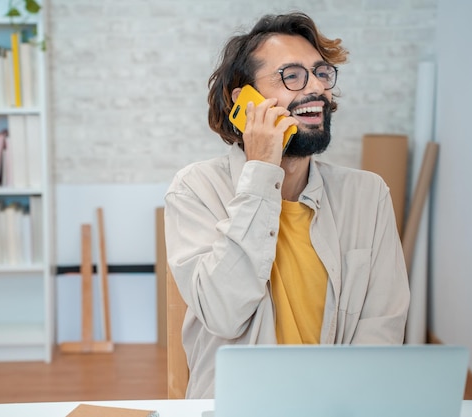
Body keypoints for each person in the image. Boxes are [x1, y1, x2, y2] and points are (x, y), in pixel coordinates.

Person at [164, 12, 410, 399]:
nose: (316, 88)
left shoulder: (368, 195)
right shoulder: (196, 189)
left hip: (339, 405)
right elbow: (223, 312)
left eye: (321, 73)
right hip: (240, 405)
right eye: (292, 76)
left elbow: (381, 328)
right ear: (241, 99)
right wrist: (262, 171)